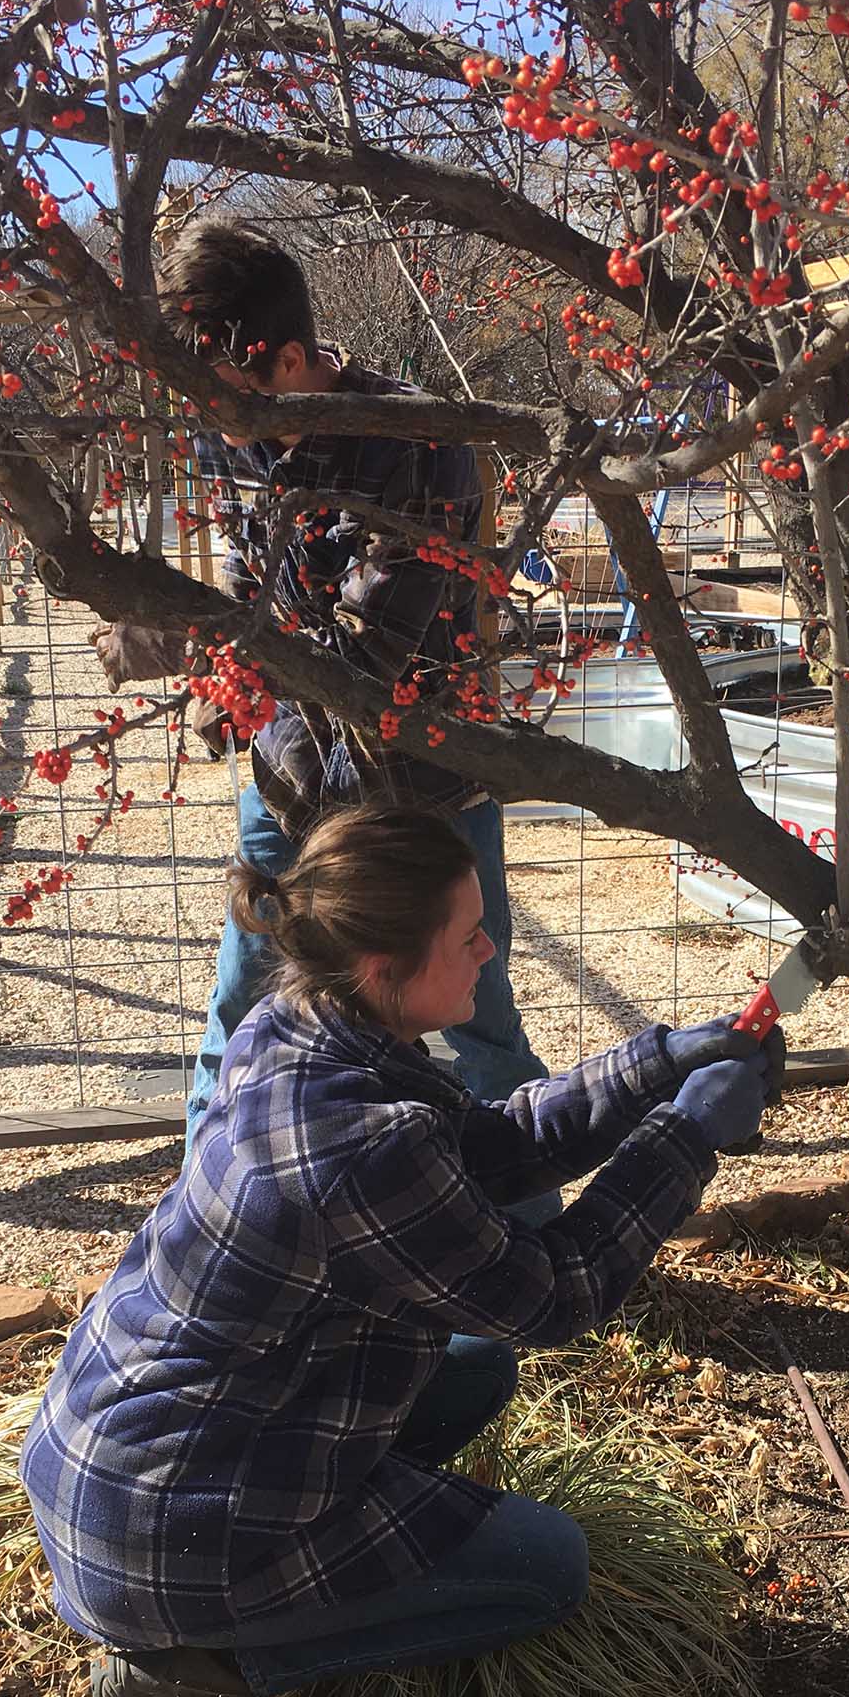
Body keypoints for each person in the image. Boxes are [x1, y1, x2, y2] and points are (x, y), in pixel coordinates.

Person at [18, 801, 782, 1697]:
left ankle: (289, 1578)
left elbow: (490, 1147)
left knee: (471, 1369)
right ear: (382, 966)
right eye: (465, 933)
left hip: (113, 1458)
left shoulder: (298, 1026)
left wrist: (658, 1063)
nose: (489, 946)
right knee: (544, 1571)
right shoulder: (356, 1145)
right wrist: (686, 1138)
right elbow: (559, 1291)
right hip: (167, 1531)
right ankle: (192, 1674)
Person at [92, 217, 547, 1156]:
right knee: (241, 1003)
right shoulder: (230, 431)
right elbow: (249, 585)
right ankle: (213, 1224)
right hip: (289, 773)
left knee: (477, 1017)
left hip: (427, 784)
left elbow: (365, 656)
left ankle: (534, 1246)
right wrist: (218, 661)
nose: (215, 420)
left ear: (291, 358)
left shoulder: (419, 442)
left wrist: (185, 634)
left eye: (225, 394)